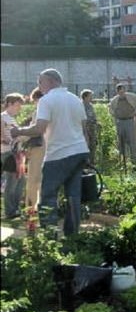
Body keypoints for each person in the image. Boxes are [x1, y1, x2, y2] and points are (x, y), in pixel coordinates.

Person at [10, 69, 89, 235]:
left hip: (59, 154)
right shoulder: (75, 99)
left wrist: (18, 131)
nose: (39, 86)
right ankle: (72, 234)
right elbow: (84, 129)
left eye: (40, 82)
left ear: (51, 82)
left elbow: (39, 129)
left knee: (48, 195)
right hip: (80, 151)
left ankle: (49, 236)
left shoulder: (46, 100)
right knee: (73, 196)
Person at [109, 84, 136, 169]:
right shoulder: (115, 100)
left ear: (124, 90)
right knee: (121, 143)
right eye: (119, 91)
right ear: (117, 92)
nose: (121, 93)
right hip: (120, 122)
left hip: (129, 121)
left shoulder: (131, 96)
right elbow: (110, 108)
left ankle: (135, 164)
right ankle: (123, 163)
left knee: (132, 142)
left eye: (122, 91)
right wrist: (114, 114)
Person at [2, 93, 26, 219]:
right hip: (8, 153)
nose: (20, 108)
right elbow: (2, 137)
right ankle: (10, 211)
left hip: (17, 153)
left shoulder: (12, 119)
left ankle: (15, 209)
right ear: (9, 104)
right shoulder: (3, 117)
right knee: (12, 182)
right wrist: (15, 140)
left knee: (20, 181)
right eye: (17, 105)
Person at [24, 88, 46, 209]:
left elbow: (33, 131)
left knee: (33, 179)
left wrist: (21, 140)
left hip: (39, 147)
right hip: (50, 147)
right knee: (42, 179)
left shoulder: (39, 111)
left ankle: (31, 207)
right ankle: (40, 206)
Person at [80, 89, 99, 166]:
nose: (91, 98)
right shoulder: (80, 106)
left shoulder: (90, 106)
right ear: (85, 97)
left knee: (93, 145)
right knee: (85, 145)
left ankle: (92, 162)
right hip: (84, 128)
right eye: (90, 96)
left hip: (92, 128)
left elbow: (93, 116)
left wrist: (96, 122)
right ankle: (85, 162)